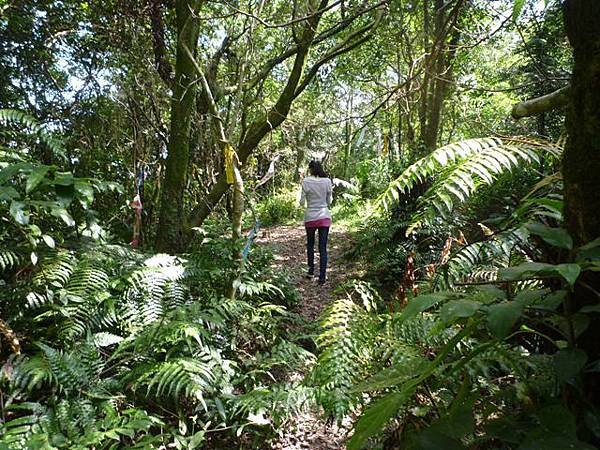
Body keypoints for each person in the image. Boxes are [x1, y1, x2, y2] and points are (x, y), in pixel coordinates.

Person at [299, 160, 333, 285]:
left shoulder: (306, 181)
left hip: (310, 217)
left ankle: (310, 272)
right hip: (324, 216)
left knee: (310, 245)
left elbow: (302, 202)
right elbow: (329, 202)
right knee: (322, 248)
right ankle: (322, 277)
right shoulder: (327, 181)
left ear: (310, 169)